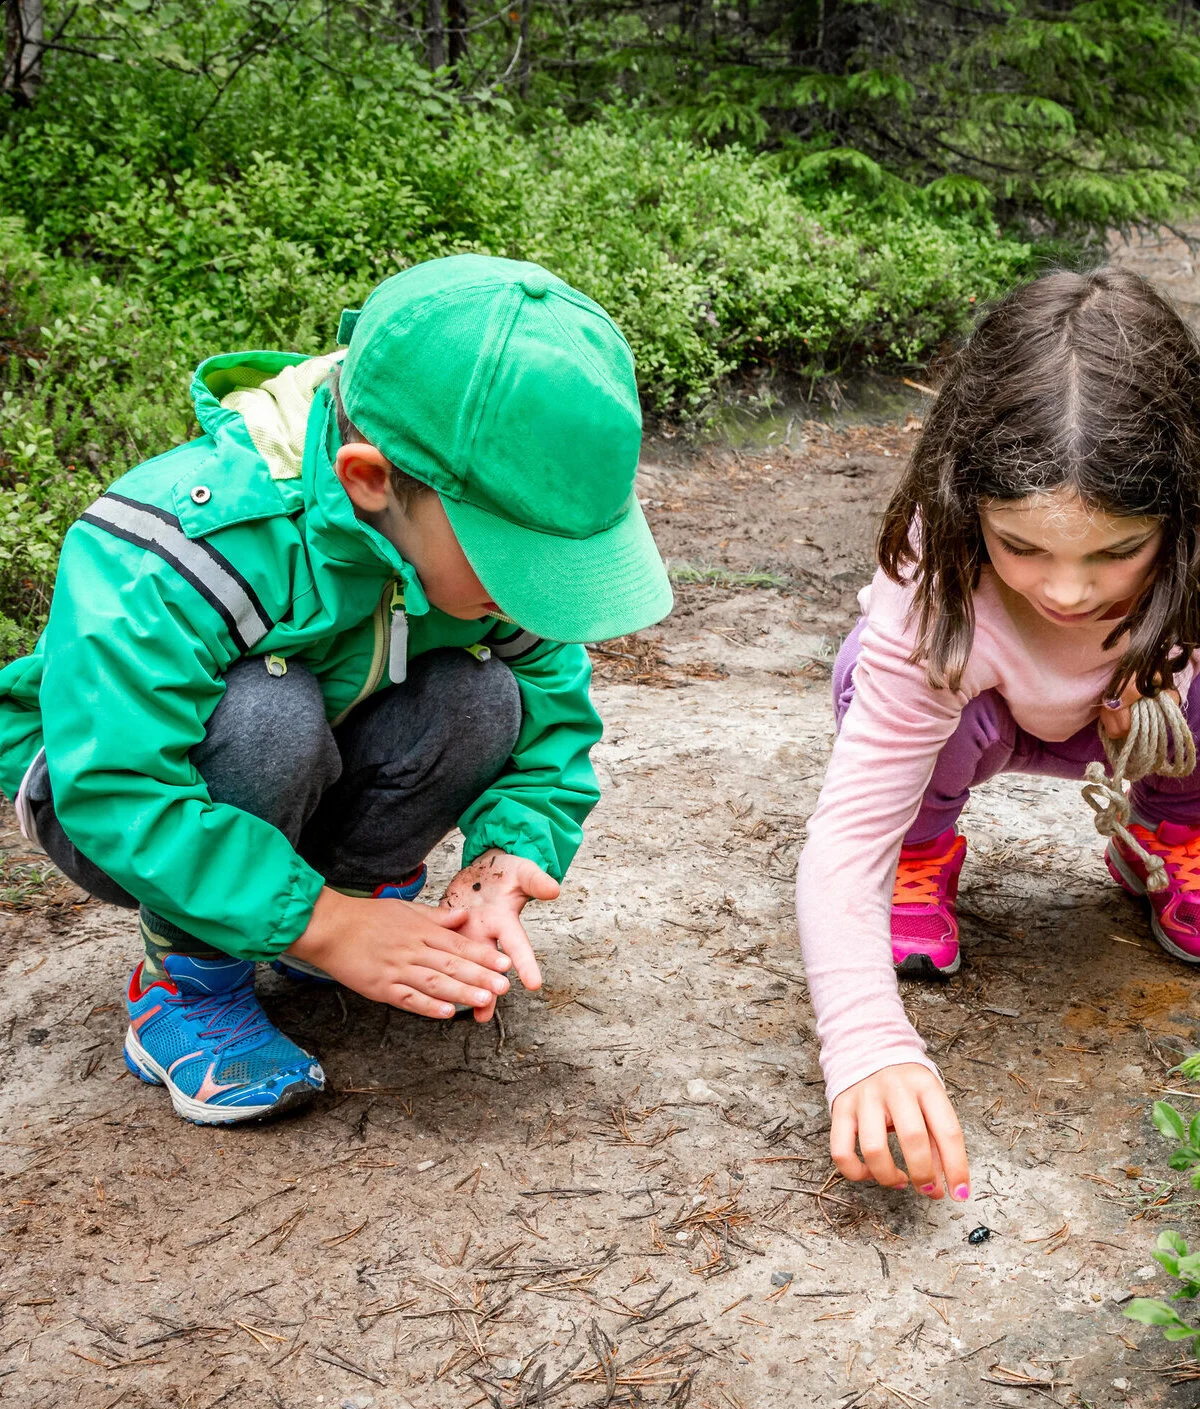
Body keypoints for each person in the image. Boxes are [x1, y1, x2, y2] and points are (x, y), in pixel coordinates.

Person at [0, 254, 672, 1125]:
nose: (532, 596)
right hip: (107, 798)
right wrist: (326, 923)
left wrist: (510, 854)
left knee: (481, 696)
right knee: (267, 715)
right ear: (371, 481)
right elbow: (118, 788)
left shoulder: (460, 547)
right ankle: (190, 983)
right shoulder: (177, 544)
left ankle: (339, 903)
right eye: (514, 563)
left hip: (296, 764)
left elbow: (550, 709)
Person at [796, 267, 1200, 1202]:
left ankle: (1175, 829)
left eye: (1116, 551)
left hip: (1139, 725)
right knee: (898, 693)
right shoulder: (936, 573)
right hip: (974, 720)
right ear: (965, 495)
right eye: (1024, 546)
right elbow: (845, 834)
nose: (1064, 592)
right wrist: (865, 1041)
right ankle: (924, 849)